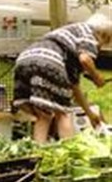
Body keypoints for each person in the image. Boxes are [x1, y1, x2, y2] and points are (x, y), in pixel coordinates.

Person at [13, 14, 112, 143]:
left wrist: (90, 114)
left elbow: (73, 86)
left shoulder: (72, 35)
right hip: (49, 62)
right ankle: (69, 153)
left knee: (43, 114)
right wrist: (97, 77)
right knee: (63, 113)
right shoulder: (89, 35)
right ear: (103, 35)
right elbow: (85, 59)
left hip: (24, 60)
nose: (100, 47)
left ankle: (38, 154)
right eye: (105, 42)